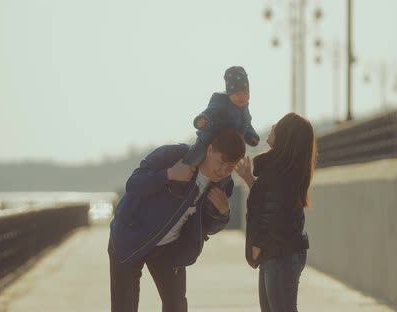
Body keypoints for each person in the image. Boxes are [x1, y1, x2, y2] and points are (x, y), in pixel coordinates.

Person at [108, 128, 246, 312]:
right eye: (221, 162)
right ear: (210, 149)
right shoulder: (173, 155)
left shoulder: (223, 184)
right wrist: (170, 174)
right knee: (124, 306)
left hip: (170, 248)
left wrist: (223, 212)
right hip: (131, 238)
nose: (223, 171)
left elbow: (207, 227)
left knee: (177, 306)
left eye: (230, 167)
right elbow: (133, 185)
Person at [235, 112, 316, 312]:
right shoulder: (282, 170)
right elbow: (270, 204)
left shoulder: (278, 173)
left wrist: (257, 244)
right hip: (279, 252)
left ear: (286, 135)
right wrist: (249, 180)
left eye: (278, 124)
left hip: (279, 254)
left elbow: (272, 216)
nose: (272, 126)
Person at [182, 65, 260, 167]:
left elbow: (246, 123)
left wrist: (251, 136)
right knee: (198, 155)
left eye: (245, 93)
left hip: (230, 145)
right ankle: (186, 167)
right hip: (212, 139)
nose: (242, 97)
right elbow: (211, 112)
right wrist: (204, 119)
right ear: (229, 94)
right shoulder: (221, 102)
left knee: (226, 166)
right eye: (237, 94)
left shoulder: (244, 108)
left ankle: (220, 182)